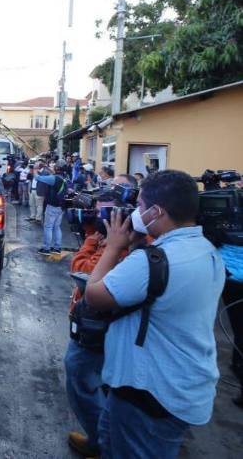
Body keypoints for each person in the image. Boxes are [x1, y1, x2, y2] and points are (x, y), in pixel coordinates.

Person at [85, 170, 226, 458]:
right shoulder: (206, 249)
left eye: (139, 206)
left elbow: (94, 295)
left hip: (149, 392)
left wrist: (113, 247)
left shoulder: (152, 261)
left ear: (156, 211)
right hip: (180, 385)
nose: (135, 212)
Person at [64, 174, 142, 457]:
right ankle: (102, 439)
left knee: (80, 376)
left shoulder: (123, 246)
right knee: (103, 384)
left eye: (104, 213)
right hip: (97, 323)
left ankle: (101, 442)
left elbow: (82, 271)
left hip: (99, 326)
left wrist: (96, 244)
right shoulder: (111, 239)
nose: (99, 218)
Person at [220, 243, 243, 407]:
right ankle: (237, 363)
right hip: (231, 275)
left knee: (240, 329)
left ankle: (238, 365)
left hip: (231, 276)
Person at [35, 165, 67, 255]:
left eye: (53, 167)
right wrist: (47, 168)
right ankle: (57, 248)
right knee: (57, 227)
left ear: (56, 169)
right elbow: (53, 174)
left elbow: (38, 177)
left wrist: (35, 169)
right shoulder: (64, 178)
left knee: (48, 227)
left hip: (52, 206)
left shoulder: (54, 179)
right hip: (61, 206)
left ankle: (46, 248)